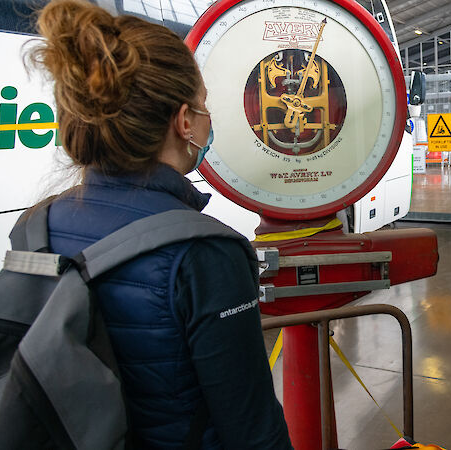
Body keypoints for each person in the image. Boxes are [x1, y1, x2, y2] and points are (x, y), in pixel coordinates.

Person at [26, 1, 293, 448]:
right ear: (184, 122)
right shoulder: (206, 253)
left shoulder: (37, 223)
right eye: (203, 107)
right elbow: (252, 428)